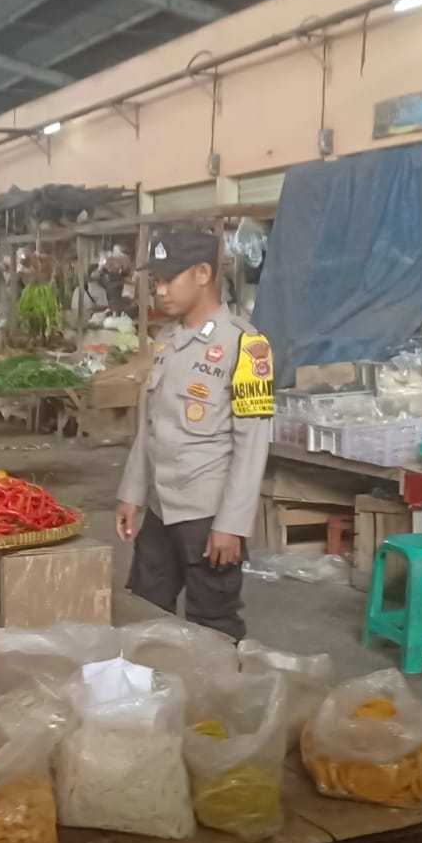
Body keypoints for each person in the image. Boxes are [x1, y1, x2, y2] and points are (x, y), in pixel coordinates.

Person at [116, 228, 273, 642]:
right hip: (161, 509)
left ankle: (219, 686)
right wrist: (132, 494)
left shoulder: (246, 345)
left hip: (207, 514)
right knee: (144, 610)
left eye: (170, 278)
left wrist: (232, 525)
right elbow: (149, 427)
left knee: (213, 622)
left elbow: (252, 445)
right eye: (157, 280)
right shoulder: (165, 341)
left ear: (203, 273)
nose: (160, 290)